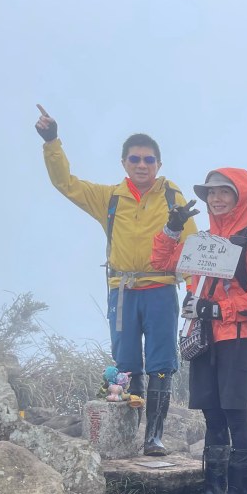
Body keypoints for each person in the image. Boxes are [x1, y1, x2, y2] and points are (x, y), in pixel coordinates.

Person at [34, 104, 198, 456]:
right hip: (122, 291)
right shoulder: (109, 198)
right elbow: (66, 183)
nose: (142, 165)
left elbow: (191, 248)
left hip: (160, 288)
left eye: (149, 160)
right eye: (135, 159)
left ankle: (154, 437)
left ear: (159, 164)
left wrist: (193, 291)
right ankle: (127, 436)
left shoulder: (173, 198)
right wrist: (51, 142)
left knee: (162, 364)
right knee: (126, 363)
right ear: (124, 163)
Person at [150, 168, 247, 494]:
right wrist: (172, 228)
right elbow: (162, 263)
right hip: (204, 339)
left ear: (241, 196)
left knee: (237, 416)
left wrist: (216, 308)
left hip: (239, 338)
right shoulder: (201, 241)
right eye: (211, 193)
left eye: (224, 192)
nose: (216, 199)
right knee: (212, 416)